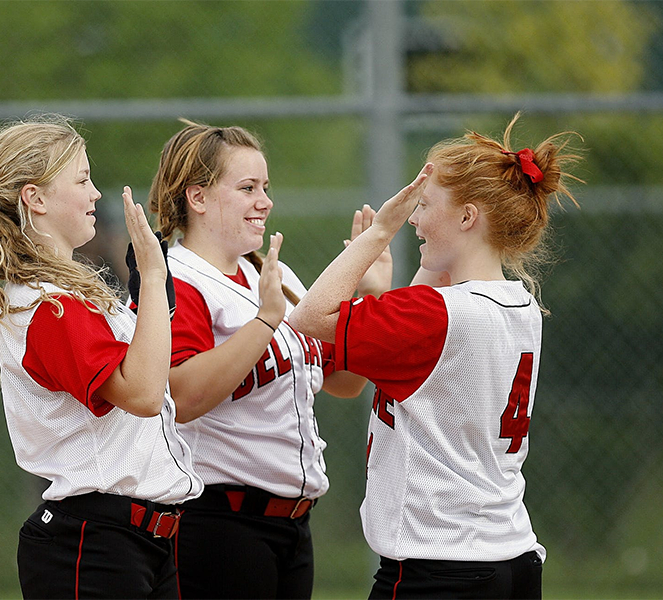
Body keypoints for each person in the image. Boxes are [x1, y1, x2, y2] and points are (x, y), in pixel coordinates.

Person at [289, 113, 581, 599]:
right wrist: (386, 289)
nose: (415, 220)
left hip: (440, 568)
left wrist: (378, 232)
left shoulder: (436, 316)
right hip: (512, 557)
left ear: (468, 217)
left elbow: (310, 317)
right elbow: (427, 341)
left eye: (422, 206)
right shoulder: (520, 304)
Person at [0, 114, 203, 599]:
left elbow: (146, 380)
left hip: (137, 541)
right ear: (35, 198)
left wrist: (149, 298)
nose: (95, 194)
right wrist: (150, 277)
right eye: (82, 179)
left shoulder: (67, 296)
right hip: (95, 544)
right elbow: (145, 395)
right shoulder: (49, 306)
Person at [128, 120, 389, 599]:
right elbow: (179, 396)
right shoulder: (176, 280)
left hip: (292, 526)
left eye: (265, 187)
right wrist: (265, 322)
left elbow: (344, 382)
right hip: (218, 524)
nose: (264, 201)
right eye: (247, 188)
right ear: (198, 198)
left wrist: (370, 297)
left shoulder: (275, 274)